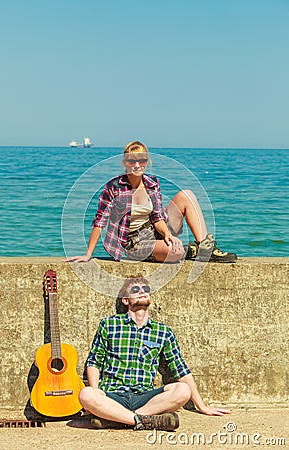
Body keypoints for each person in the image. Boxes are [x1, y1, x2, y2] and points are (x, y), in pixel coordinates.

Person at [79, 275, 231, 431]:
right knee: (86, 394)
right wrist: (96, 394)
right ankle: (143, 421)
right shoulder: (110, 324)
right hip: (113, 394)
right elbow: (94, 362)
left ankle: (117, 420)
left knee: (182, 390)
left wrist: (202, 406)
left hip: (145, 397)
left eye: (146, 289)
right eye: (136, 289)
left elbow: (181, 370)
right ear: (126, 300)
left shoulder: (163, 332)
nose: (142, 292)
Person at [65, 141, 237, 263]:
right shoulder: (114, 187)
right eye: (132, 160)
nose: (137, 165)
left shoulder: (152, 183)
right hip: (133, 241)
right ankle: (188, 250)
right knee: (174, 253)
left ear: (147, 162)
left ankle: (206, 248)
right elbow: (100, 221)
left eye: (142, 160)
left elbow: (157, 217)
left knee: (187, 195)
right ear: (125, 163)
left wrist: (168, 234)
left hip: (154, 230)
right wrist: (88, 254)